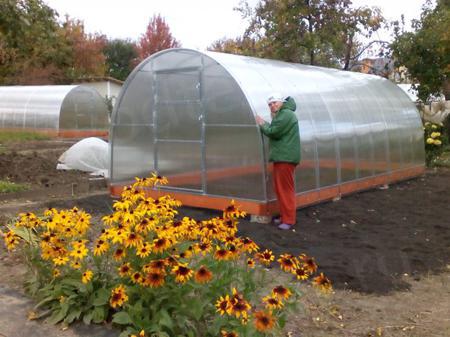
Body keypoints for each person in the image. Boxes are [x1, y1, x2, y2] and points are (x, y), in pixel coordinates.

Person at [255, 93, 300, 230]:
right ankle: (285, 216)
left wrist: (262, 124)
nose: (272, 105)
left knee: (285, 189)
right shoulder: (283, 114)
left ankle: (289, 220)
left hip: (285, 157)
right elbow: (276, 129)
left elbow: (274, 132)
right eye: (270, 104)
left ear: (281, 103)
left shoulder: (286, 114)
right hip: (283, 157)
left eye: (275, 102)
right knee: (281, 189)